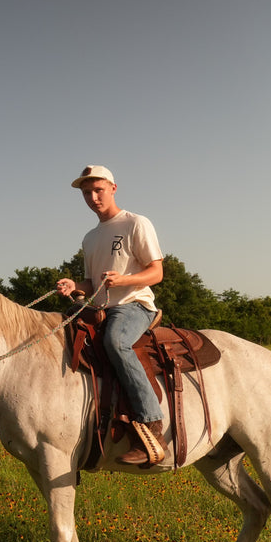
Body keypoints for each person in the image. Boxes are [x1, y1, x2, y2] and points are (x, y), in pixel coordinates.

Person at [56, 165, 167, 465]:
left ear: (113, 188)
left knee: (116, 341)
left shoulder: (135, 223)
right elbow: (93, 284)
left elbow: (156, 272)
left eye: (98, 190)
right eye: (86, 193)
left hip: (135, 304)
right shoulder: (90, 238)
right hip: (101, 307)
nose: (93, 197)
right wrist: (74, 285)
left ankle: (152, 425)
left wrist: (124, 280)